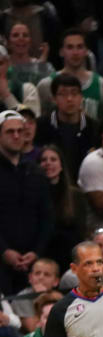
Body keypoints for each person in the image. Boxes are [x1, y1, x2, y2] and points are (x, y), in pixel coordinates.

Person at [0, 109, 51, 294]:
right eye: (9, 131)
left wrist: (36, 251)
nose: (16, 136)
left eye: (20, 131)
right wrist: (4, 251)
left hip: (32, 262)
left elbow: (46, 216)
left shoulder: (35, 171)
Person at [36, 28, 103, 121]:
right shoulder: (46, 85)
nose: (75, 52)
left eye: (80, 47)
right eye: (70, 47)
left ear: (86, 51)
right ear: (61, 52)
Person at [34, 74, 98, 179]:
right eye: (63, 94)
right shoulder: (41, 126)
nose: (69, 99)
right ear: (54, 99)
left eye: (74, 93)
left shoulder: (94, 127)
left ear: (81, 97)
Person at [40, 144, 91, 266]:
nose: (48, 163)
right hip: (41, 256)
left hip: (68, 258)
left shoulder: (75, 195)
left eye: (53, 159)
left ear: (61, 165)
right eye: (43, 160)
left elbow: (81, 231)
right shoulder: (33, 194)